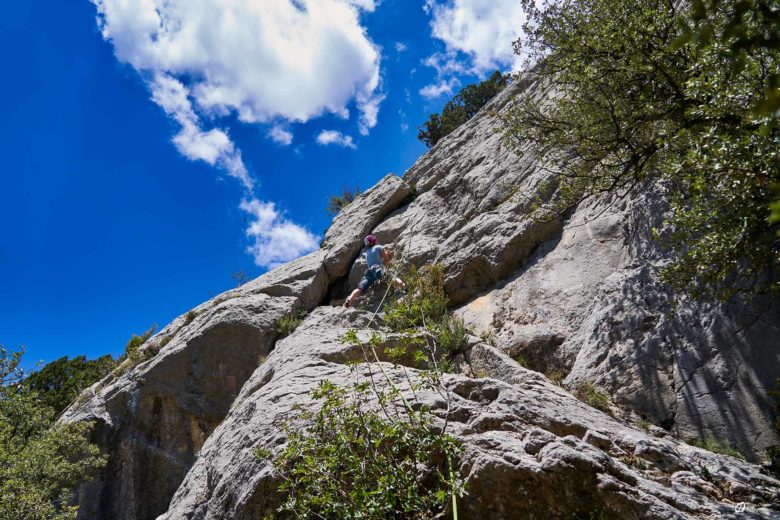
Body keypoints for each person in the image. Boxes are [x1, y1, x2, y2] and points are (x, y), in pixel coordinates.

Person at [344, 235, 404, 308]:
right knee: (391, 277)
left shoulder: (367, 252)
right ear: (374, 241)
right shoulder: (379, 247)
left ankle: (350, 299)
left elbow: (374, 258)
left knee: (360, 288)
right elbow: (386, 260)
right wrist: (388, 256)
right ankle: (403, 286)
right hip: (377, 268)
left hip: (369, 271)